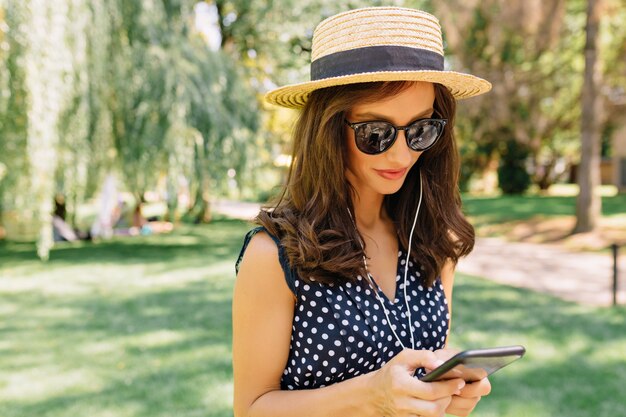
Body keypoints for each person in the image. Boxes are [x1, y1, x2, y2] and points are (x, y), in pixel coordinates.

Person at [233, 7, 493, 417]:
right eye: (376, 133)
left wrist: (451, 398)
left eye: (421, 130)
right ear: (329, 130)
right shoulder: (275, 254)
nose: (402, 153)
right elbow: (251, 409)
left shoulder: (432, 243)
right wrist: (372, 395)